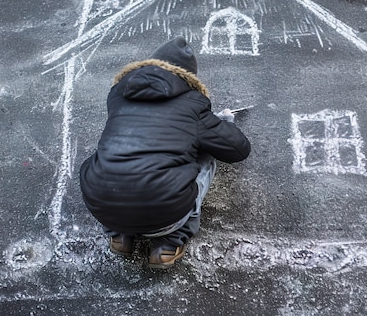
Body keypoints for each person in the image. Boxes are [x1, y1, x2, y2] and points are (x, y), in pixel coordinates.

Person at [79, 37, 251, 269]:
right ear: (188, 77)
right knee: (207, 158)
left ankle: (120, 235)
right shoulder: (193, 103)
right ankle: (168, 245)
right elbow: (238, 150)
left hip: (103, 208)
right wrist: (217, 126)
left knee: (110, 156)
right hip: (163, 214)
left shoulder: (118, 95)